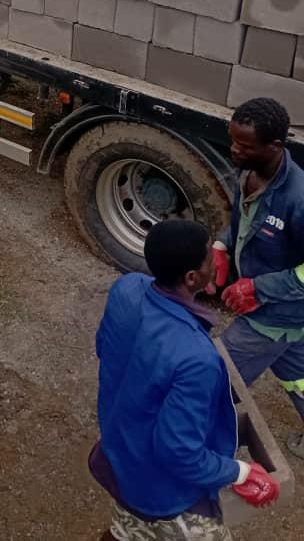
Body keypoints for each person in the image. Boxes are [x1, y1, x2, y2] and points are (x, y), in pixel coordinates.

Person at [91, 220, 278, 541]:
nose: (214, 262)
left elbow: (104, 348)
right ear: (192, 277)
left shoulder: (127, 287)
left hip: (119, 453)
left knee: (127, 530)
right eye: (209, 258)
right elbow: (179, 453)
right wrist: (241, 472)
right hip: (160, 492)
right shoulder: (196, 358)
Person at [215, 96, 304, 459]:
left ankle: (206, 458)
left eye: (244, 145)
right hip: (285, 319)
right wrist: (221, 245)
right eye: (233, 139)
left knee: (215, 380)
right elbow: (245, 224)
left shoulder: (299, 199)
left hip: (274, 316)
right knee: (298, 376)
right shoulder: (250, 173)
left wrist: (258, 287)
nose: (234, 149)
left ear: (275, 147)